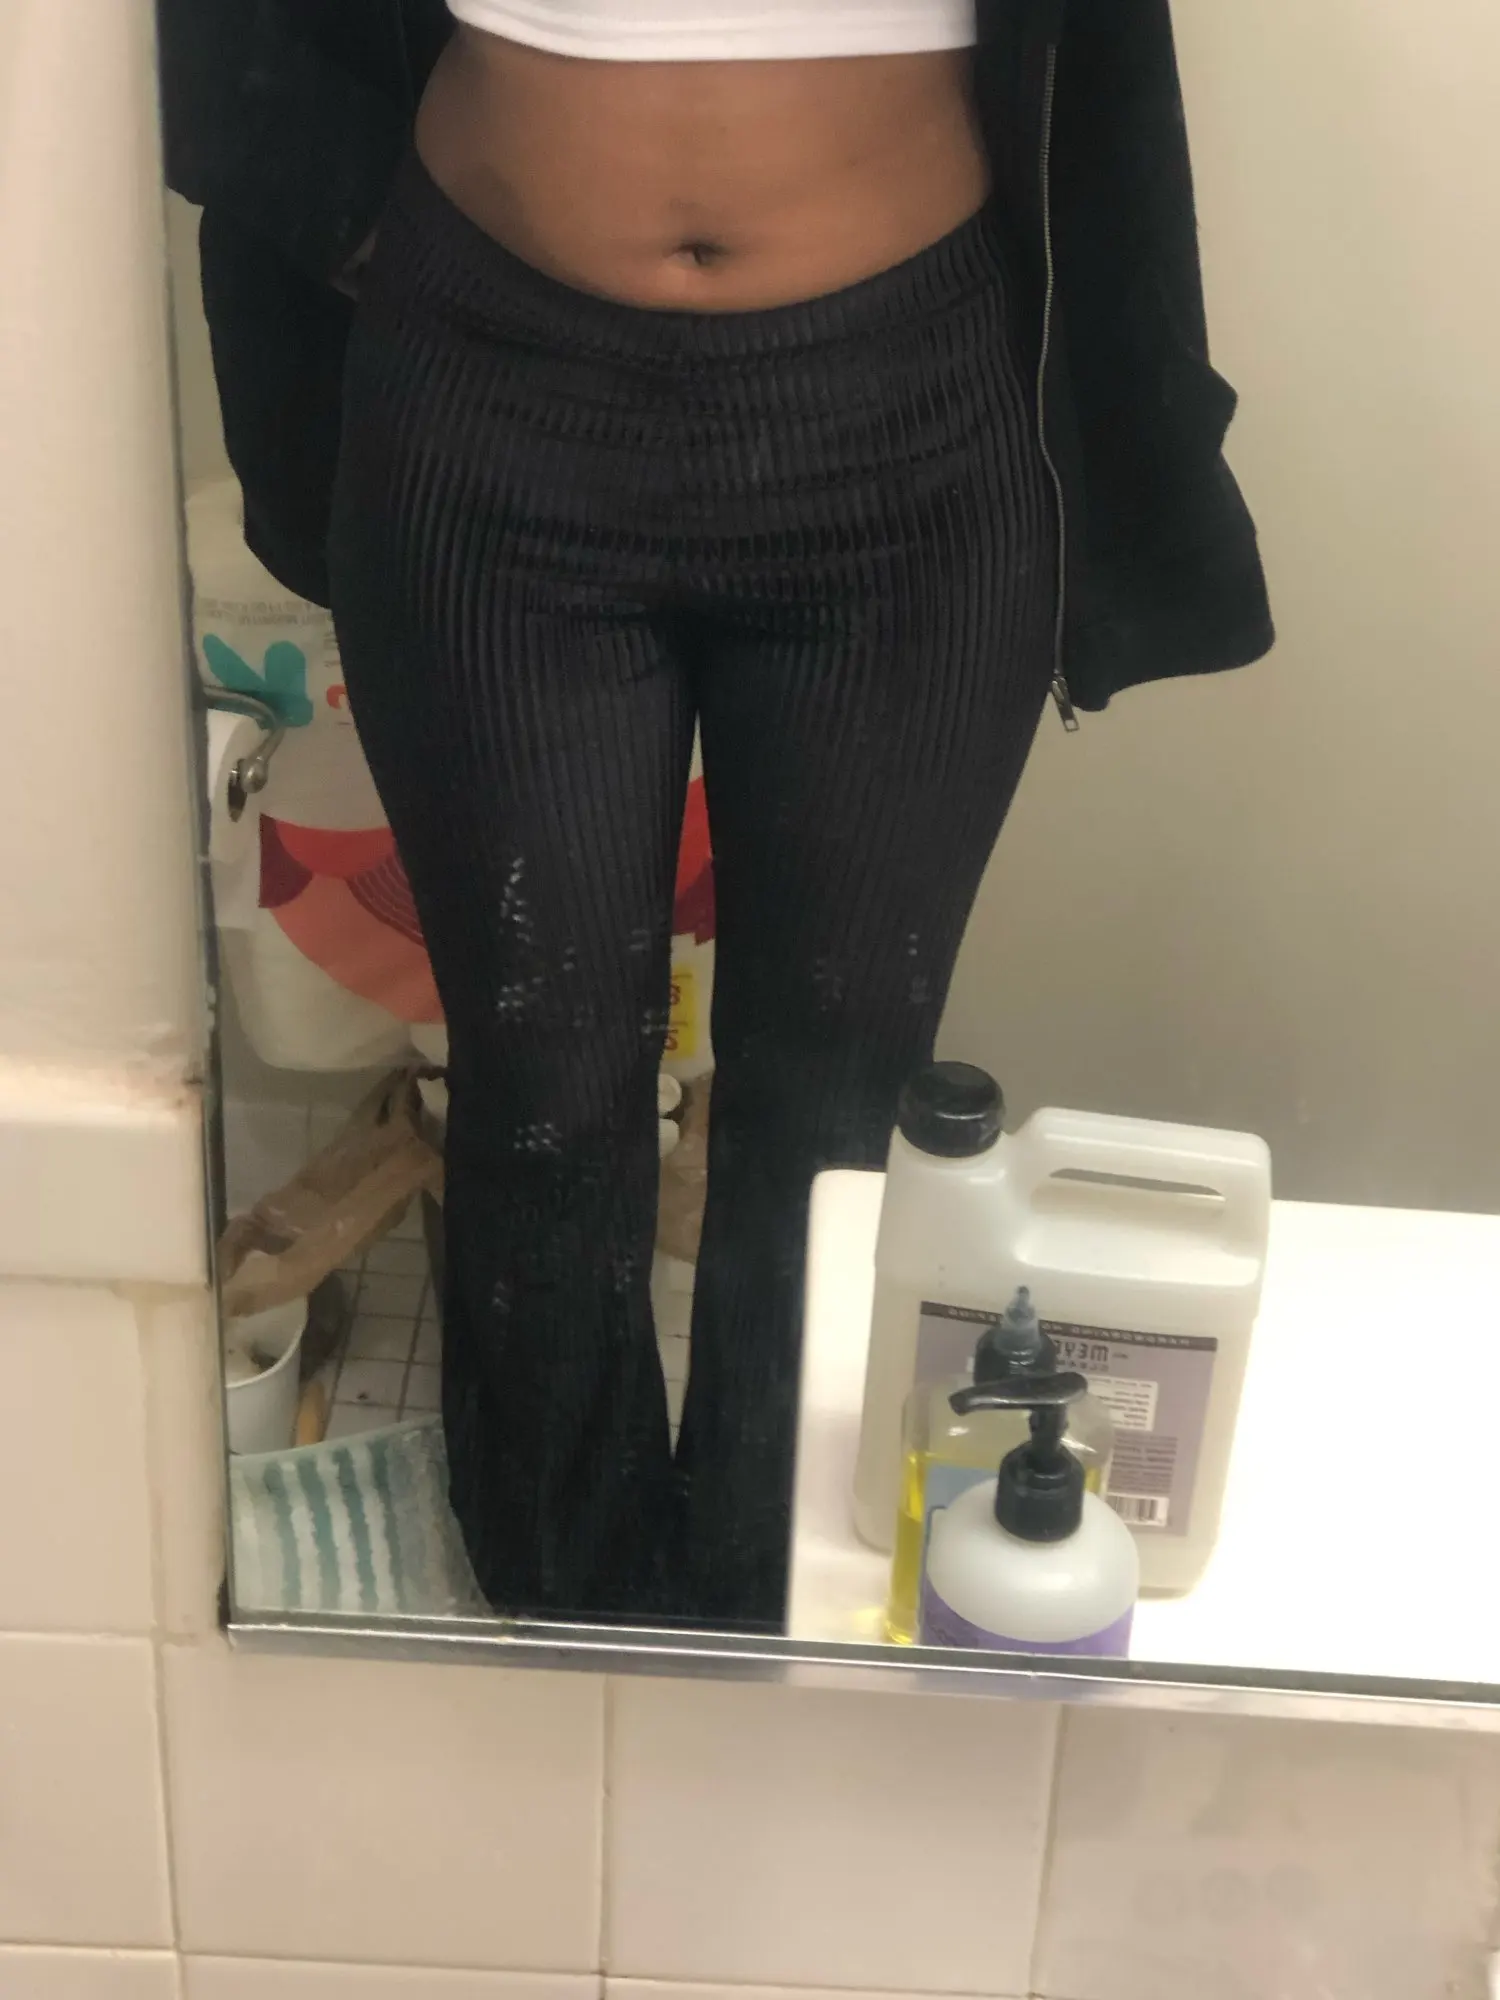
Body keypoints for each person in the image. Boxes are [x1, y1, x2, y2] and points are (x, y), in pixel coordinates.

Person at [160, 0, 1274, 1632]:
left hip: (914, 423)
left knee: (836, 1106)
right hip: (489, 382)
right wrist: (367, 226)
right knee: (540, 1098)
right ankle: (564, 1628)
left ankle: (768, 1629)